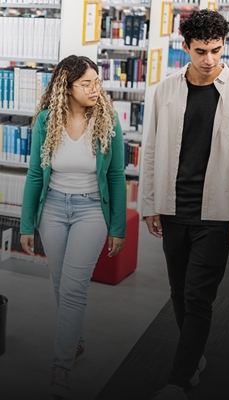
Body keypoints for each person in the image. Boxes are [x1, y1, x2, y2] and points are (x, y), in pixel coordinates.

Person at [142, 9, 229, 400]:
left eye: (216, 49)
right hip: (174, 208)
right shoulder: (164, 90)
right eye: (200, 51)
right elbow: (152, 150)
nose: (209, 59)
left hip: (216, 210)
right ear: (185, 48)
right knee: (178, 290)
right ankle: (193, 356)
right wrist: (151, 204)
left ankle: (178, 378)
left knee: (198, 295)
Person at [19, 55, 127, 399]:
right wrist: (26, 223)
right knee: (59, 283)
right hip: (52, 208)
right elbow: (36, 174)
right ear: (66, 88)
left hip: (92, 210)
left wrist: (118, 226)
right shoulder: (46, 121)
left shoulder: (108, 121)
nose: (95, 89)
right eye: (86, 83)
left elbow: (116, 176)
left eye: (97, 81)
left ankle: (60, 366)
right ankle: (76, 341)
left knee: (74, 287)